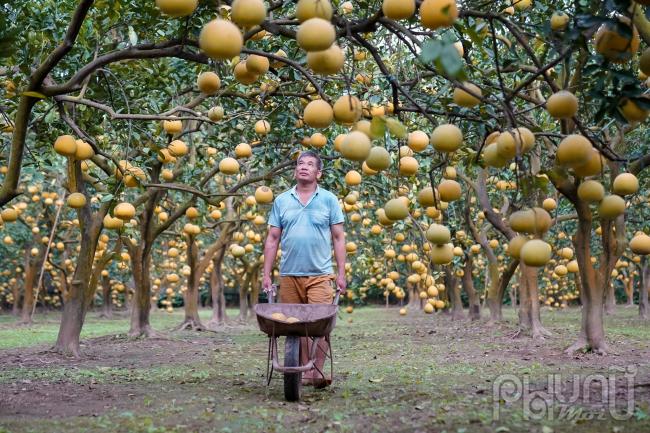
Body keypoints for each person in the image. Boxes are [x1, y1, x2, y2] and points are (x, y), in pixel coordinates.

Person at [262, 150, 347, 388]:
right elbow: (272, 238)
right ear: (295, 170)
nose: (304, 167)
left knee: (320, 326)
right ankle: (301, 371)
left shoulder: (329, 199)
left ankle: (316, 371)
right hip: (289, 275)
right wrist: (266, 274)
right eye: (300, 163)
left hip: (320, 275)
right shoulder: (281, 200)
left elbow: (339, 238)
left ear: (318, 173)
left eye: (310, 164)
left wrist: (341, 274)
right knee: (293, 327)